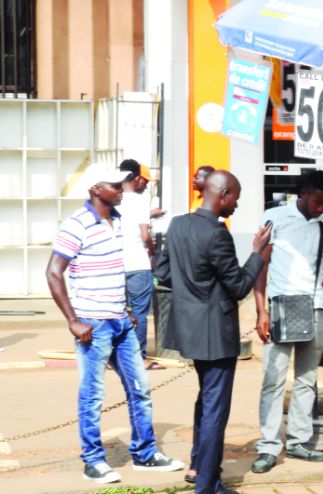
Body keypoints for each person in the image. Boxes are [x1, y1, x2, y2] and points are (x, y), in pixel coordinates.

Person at [46, 165, 183, 485]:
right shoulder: (76, 224)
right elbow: (53, 272)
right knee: (92, 395)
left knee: (140, 388)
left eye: (121, 184)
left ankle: (145, 454)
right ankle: (93, 461)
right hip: (92, 324)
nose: (121, 189)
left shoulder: (119, 221)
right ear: (95, 188)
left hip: (120, 322)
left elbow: (112, 268)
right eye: (114, 185)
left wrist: (124, 307)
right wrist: (73, 320)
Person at [154, 170, 270, 494]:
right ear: (224, 194)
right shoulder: (217, 234)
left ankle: (198, 468)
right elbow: (239, 287)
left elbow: (163, 275)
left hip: (189, 329)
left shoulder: (177, 224)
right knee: (214, 412)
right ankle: (207, 486)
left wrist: (195, 293)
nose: (236, 204)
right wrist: (257, 253)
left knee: (205, 403)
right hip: (216, 336)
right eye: (236, 198)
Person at [251, 171, 323, 474]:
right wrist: (260, 310)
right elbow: (260, 265)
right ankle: (268, 446)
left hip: (314, 307)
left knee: (307, 379)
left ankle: (298, 442)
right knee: (273, 379)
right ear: (303, 193)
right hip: (280, 306)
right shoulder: (275, 216)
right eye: (318, 201)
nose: (321, 208)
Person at [118, 159, 159, 368]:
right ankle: (138, 358)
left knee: (118, 313)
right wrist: (153, 249)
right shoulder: (140, 201)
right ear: (135, 177)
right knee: (139, 314)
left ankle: (115, 357)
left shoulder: (113, 198)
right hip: (138, 264)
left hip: (117, 265)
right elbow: (144, 236)